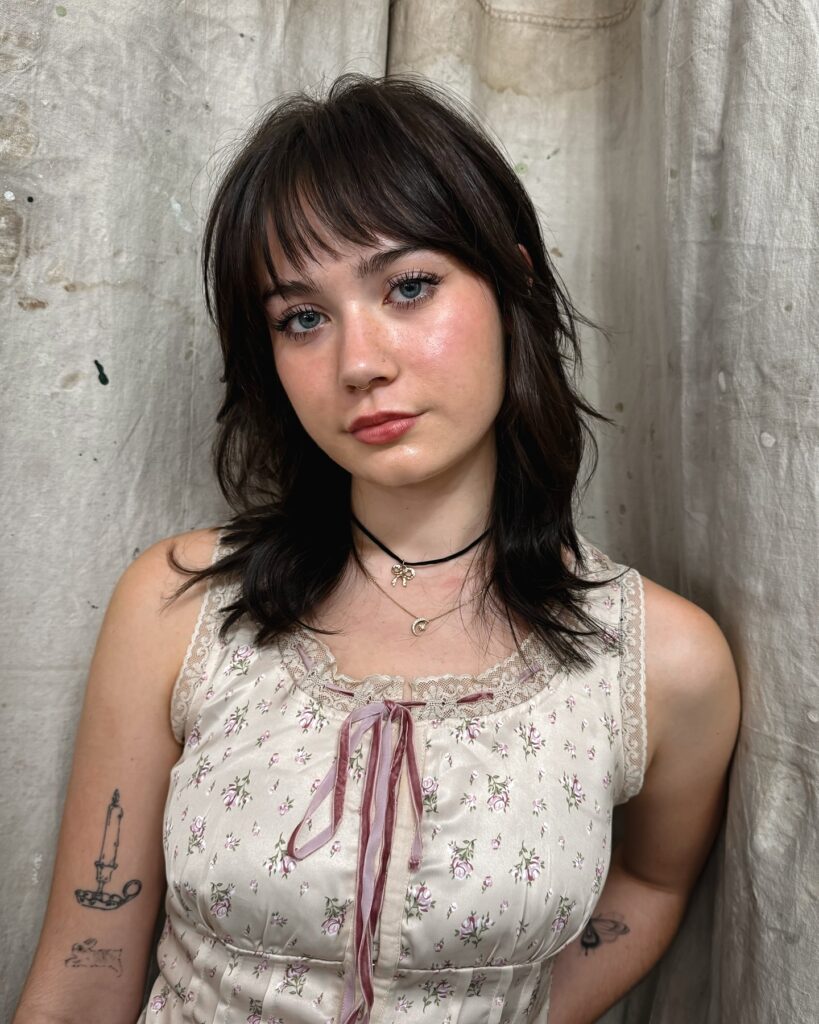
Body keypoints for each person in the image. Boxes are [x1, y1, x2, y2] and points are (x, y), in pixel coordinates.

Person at [13, 72, 740, 1024]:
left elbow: (649, 887)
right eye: (302, 317)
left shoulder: (660, 661)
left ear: (511, 280)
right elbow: (85, 965)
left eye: (408, 287)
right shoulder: (179, 608)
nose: (359, 362)